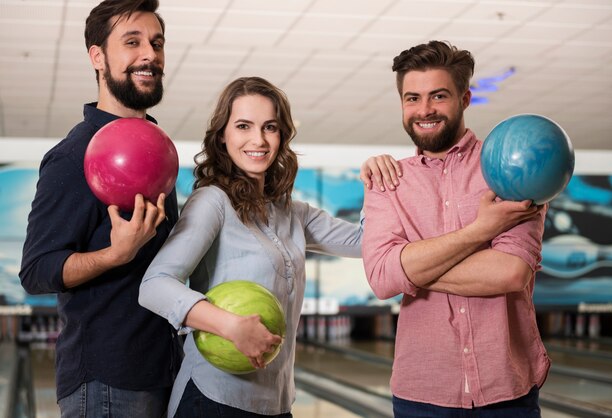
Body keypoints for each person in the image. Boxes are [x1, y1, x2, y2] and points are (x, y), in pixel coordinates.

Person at [138, 76, 399, 417]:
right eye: (243, 126)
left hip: (276, 402)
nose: (258, 140)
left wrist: (376, 187)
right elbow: (154, 286)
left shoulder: (292, 212)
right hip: (214, 399)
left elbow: (368, 243)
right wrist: (230, 326)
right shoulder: (212, 202)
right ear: (223, 136)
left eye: (270, 127)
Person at [362, 40, 550, 417]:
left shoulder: (512, 167)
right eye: (412, 98)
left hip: (507, 390)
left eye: (438, 96)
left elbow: (510, 272)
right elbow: (382, 279)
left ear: (465, 98)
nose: (424, 109)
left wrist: (410, 265)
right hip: (421, 395)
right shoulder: (386, 181)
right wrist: (482, 230)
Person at [19, 1, 181, 417]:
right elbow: (36, 271)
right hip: (109, 383)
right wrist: (115, 254)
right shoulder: (73, 157)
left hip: (167, 369)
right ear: (97, 56)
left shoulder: (155, 149)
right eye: (132, 42)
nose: (150, 54)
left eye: (157, 42)